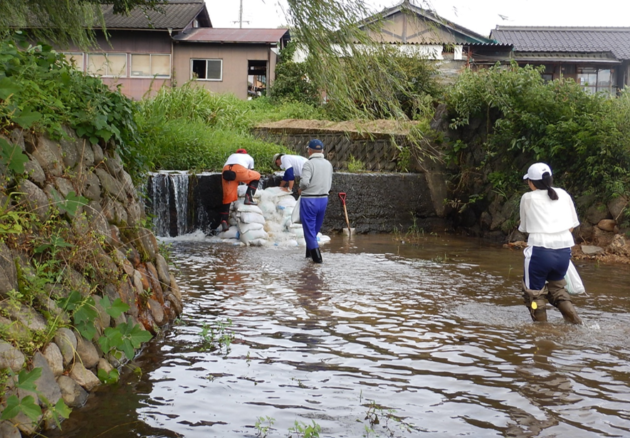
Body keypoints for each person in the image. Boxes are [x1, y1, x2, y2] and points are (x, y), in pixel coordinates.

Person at [519, 162, 582, 324]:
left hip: (539, 253)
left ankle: (542, 331)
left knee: (534, 294)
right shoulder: (564, 194)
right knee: (557, 290)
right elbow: (572, 226)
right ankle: (576, 323)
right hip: (563, 253)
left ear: (531, 182)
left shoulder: (527, 198)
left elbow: (525, 228)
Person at [299, 139, 333, 263]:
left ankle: (317, 260)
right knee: (315, 229)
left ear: (310, 151)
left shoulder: (309, 164)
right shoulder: (328, 164)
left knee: (309, 231)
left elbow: (304, 183)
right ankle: (308, 256)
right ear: (322, 151)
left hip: (309, 200)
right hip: (323, 199)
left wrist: (300, 188)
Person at [219, 148, 260, 231]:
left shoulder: (232, 156)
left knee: (227, 198)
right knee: (257, 176)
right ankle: (249, 198)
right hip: (239, 170)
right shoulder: (249, 157)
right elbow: (249, 172)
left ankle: (224, 220)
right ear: (245, 153)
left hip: (226, 171)